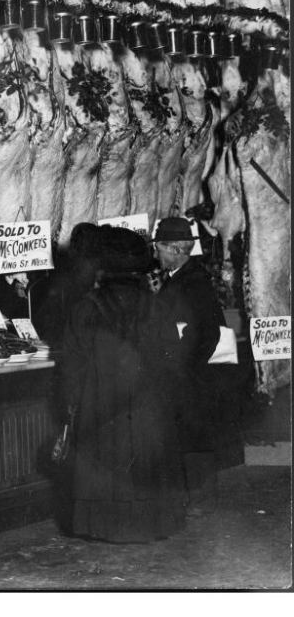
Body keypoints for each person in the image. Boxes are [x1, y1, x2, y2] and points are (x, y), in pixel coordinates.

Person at [58, 227, 188, 543]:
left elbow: (72, 367)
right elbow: (173, 354)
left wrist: (71, 409)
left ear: (104, 266)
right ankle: (150, 525)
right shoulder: (155, 305)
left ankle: (106, 527)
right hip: (148, 407)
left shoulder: (86, 306)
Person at [151, 216, 226, 506]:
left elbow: (210, 332)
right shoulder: (180, 278)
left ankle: (199, 499)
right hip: (188, 376)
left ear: (174, 249)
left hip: (190, 378)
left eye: (158, 248)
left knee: (193, 435)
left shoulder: (192, 283)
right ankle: (196, 497)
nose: (156, 253)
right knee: (191, 435)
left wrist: (183, 366)